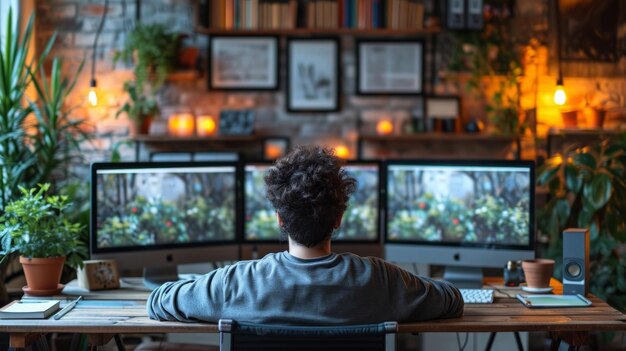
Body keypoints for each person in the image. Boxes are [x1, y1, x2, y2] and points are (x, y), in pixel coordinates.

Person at [147, 145, 463, 324]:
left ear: (279, 220)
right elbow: (451, 300)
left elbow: (158, 302)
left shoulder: (234, 283)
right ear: (338, 219)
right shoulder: (382, 280)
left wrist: (196, 283)